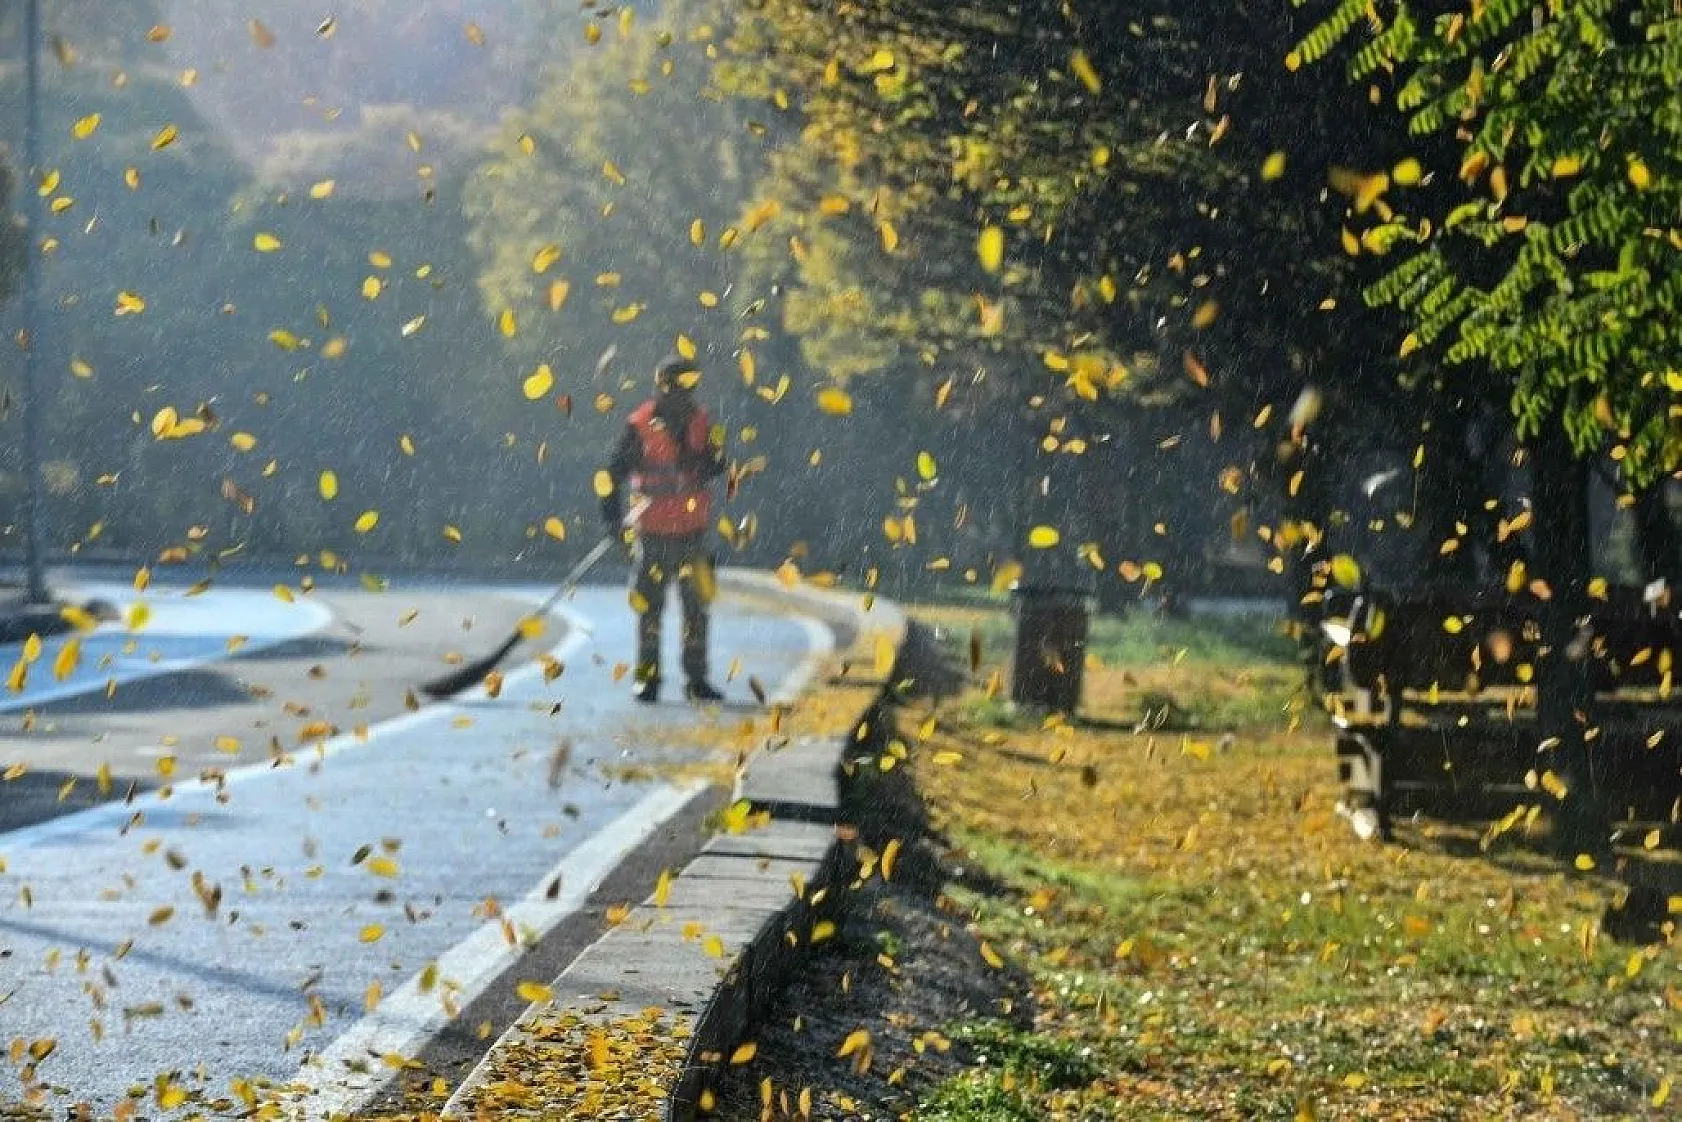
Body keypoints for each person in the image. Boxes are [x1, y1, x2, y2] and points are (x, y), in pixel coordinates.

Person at [599, 353, 727, 703]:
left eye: (690, 385)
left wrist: (702, 459)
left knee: (697, 610)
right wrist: (612, 520)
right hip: (652, 535)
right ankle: (647, 678)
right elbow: (611, 474)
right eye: (679, 385)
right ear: (663, 387)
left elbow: (719, 463)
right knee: (649, 611)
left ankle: (696, 680)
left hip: (693, 534)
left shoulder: (705, 422)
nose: (686, 393)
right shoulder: (638, 425)